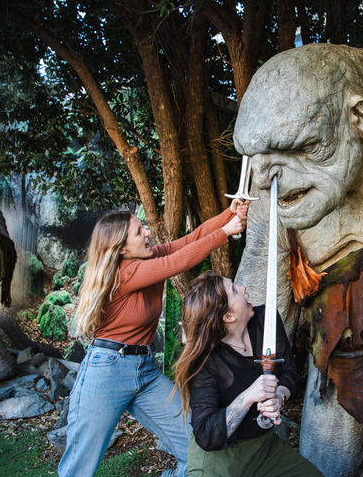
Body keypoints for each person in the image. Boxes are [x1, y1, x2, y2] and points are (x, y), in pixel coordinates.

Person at [59, 199, 249, 477]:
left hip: (144, 371)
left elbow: (190, 240)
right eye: (139, 232)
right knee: (80, 465)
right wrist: (226, 232)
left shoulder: (146, 259)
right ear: (122, 248)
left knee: (195, 444)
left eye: (143, 227)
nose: (147, 232)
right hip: (107, 371)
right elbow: (178, 261)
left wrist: (227, 215)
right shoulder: (125, 272)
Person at [172, 271, 324, 477]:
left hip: (265, 450)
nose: (244, 289)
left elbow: (289, 371)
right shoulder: (205, 363)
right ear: (228, 316)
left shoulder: (266, 321)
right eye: (235, 290)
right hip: (220, 461)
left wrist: (279, 397)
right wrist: (247, 397)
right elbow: (206, 434)